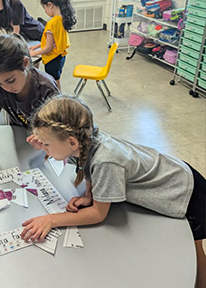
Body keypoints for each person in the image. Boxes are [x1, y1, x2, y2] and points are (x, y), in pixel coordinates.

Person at [18, 95, 206, 287]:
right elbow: (86, 163)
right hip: (176, 174)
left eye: (46, 144)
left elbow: (98, 213)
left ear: (72, 142)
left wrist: (52, 219)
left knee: (192, 251)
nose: (44, 149)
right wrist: (89, 194)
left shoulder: (105, 160)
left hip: (186, 190)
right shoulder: (84, 140)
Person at [0, 34, 59, 171]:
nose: (6, 88)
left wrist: (44, 140)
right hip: (19, 136)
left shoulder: (46, 87)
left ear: (25, 63)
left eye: (10, 80)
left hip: (45, 142)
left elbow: (58, 126)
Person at [29, 0, 76, 89]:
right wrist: (37, 46)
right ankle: (58, 97)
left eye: (44, 8)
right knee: (56, 79)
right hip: (60, 57)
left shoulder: (52, 23)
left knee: (53, 83)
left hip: (52, 60)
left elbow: (48, 48)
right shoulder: (62, 19)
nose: (45, 11)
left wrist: (32, 53)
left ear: (50, 5)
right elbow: (55, 40)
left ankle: (57, 99)